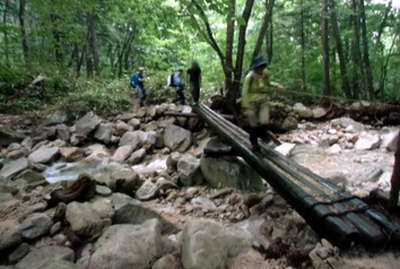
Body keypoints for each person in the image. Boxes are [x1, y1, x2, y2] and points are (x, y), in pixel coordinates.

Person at [241, 56, 284, 150]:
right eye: (259, 67)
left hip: (263, 100)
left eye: (262, 66)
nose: (261, 69)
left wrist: (277, 85)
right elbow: (244, 92)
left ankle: (264, 140)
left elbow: (268, 83)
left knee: (264, 122)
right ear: (255, 67)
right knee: (253, 125)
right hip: (251, 103)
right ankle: (254, 145)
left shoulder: (265, 73)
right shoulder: (249, 77)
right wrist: (245, 106)